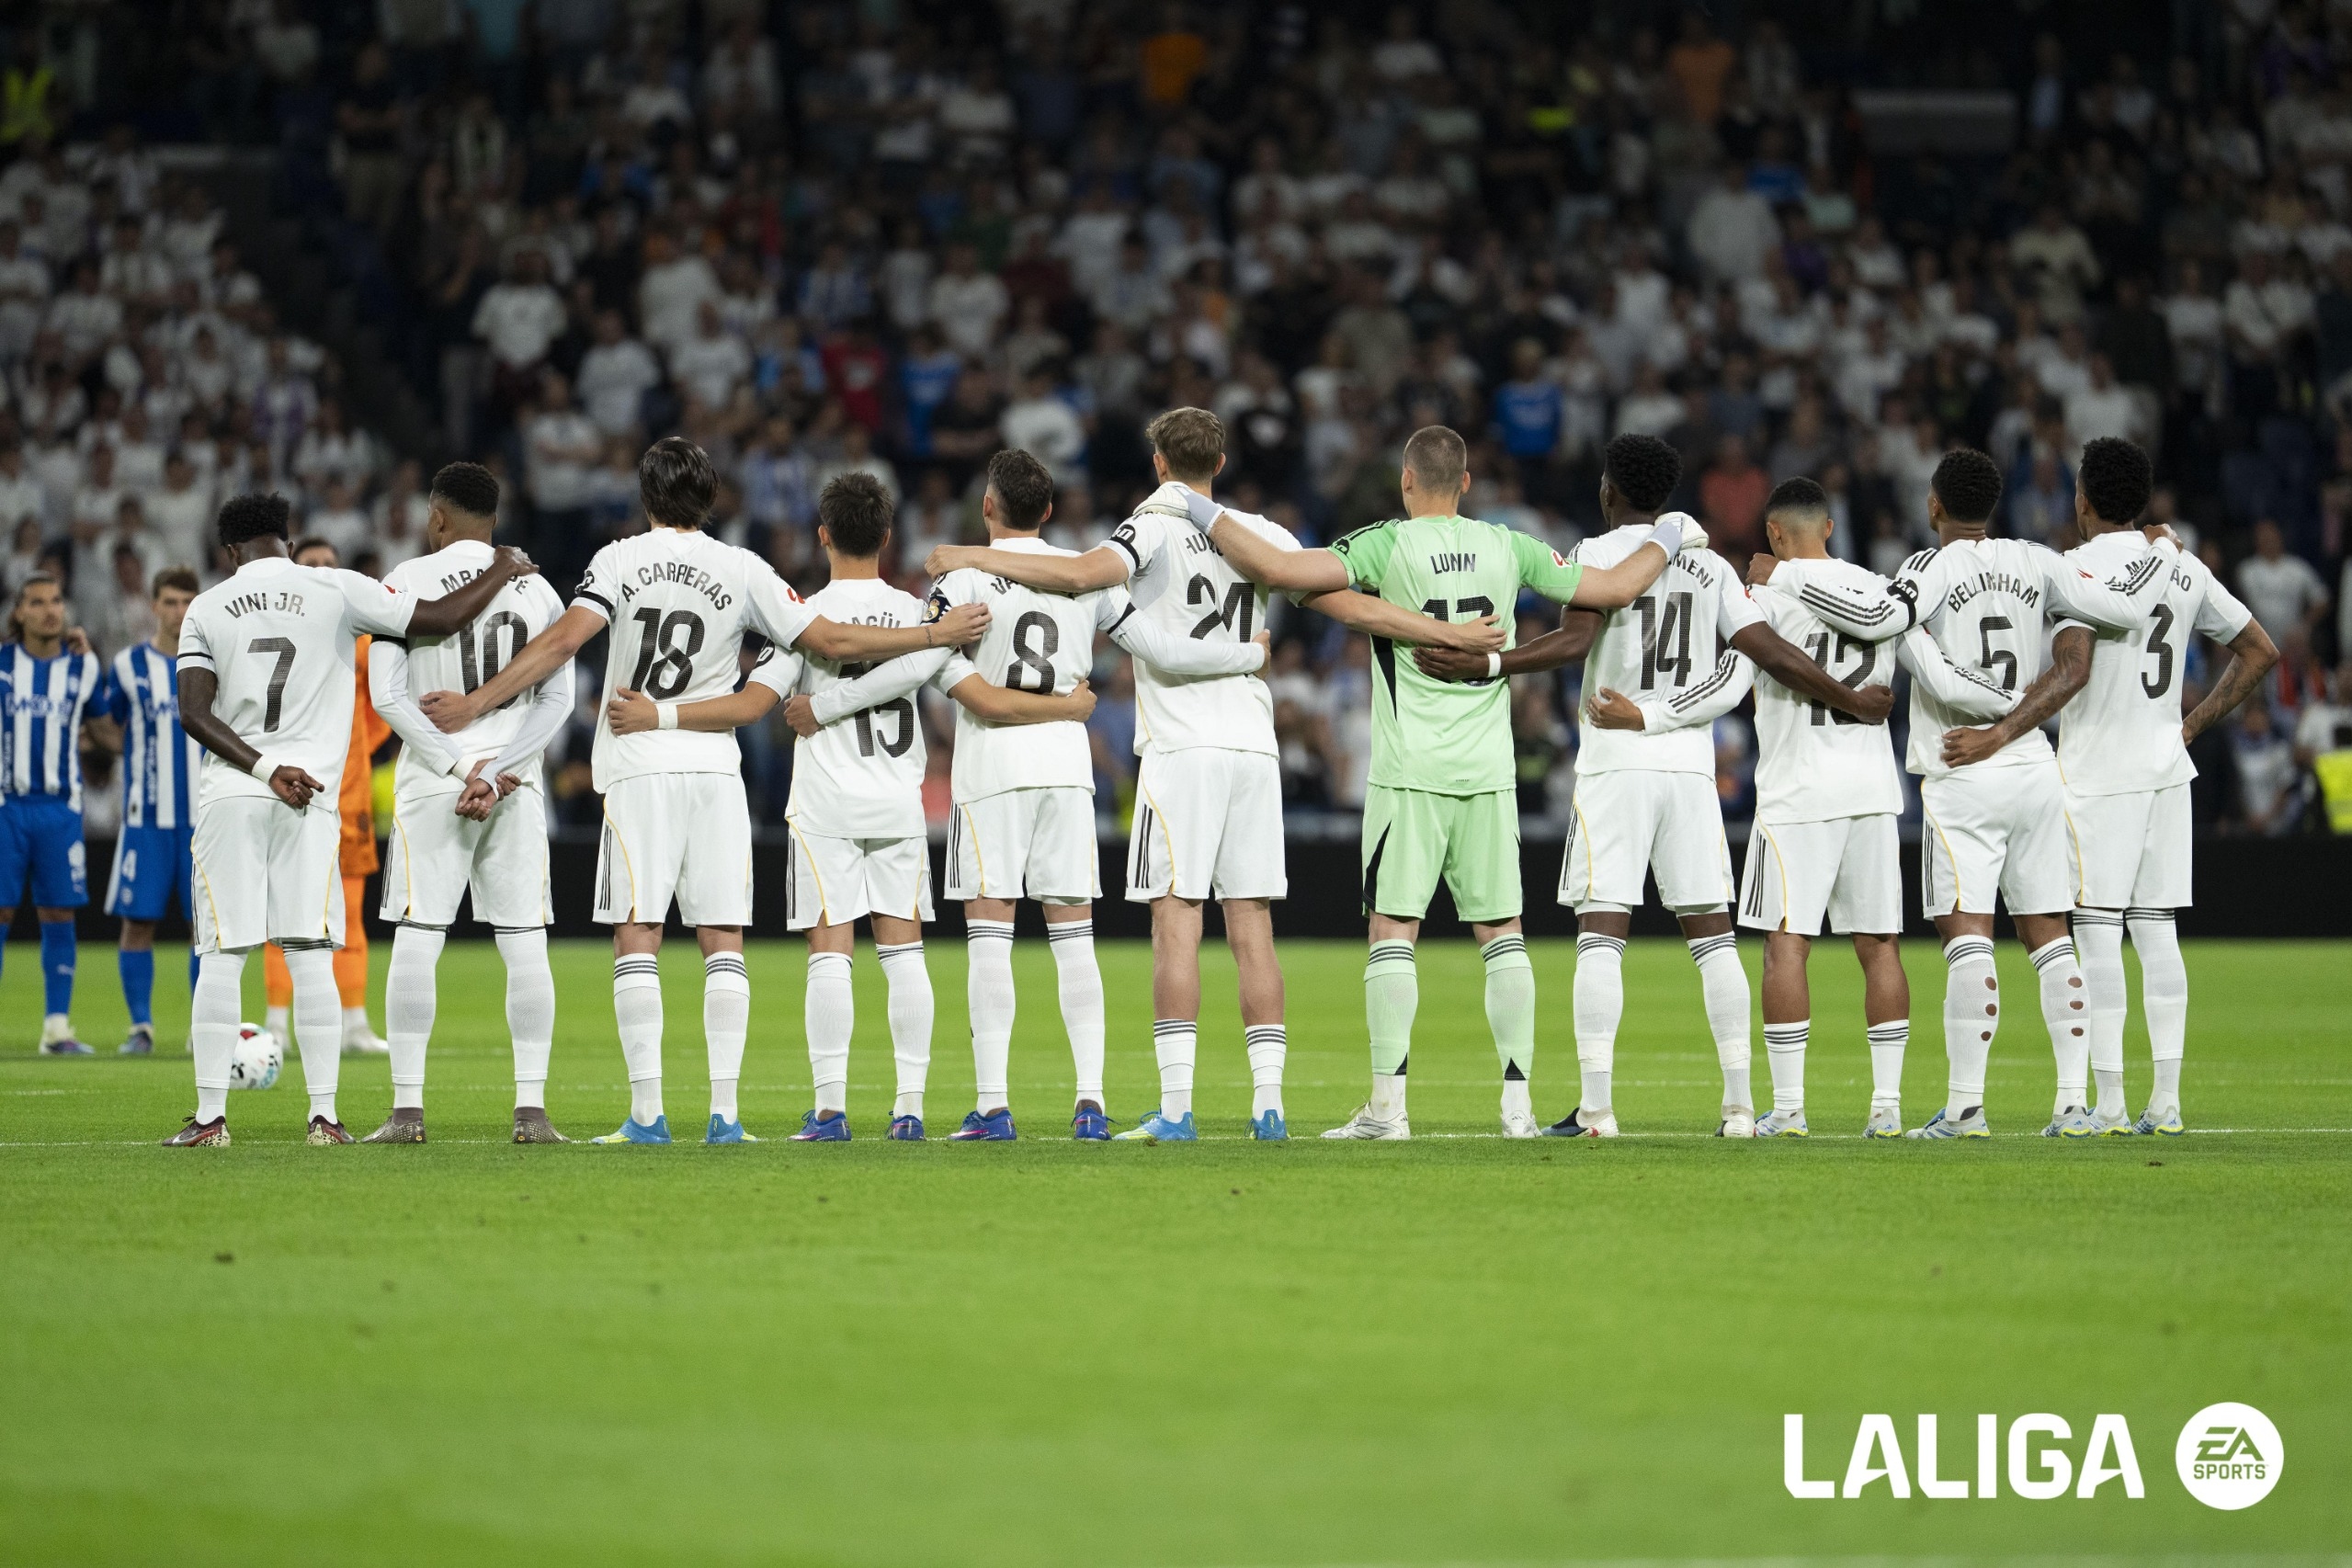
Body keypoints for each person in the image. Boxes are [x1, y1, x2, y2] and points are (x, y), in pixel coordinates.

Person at [927, 408, 1499, 1141]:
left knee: (1176, 923)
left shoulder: (1147, 527)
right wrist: (1446, 631)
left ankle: (1175, 1110)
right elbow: (1352, 605)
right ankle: (1268, 1107)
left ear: (1159, 463)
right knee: (1252, 926)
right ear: (1220, 464)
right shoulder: (1261, 534)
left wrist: (968, 556)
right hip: (1252, 748)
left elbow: (1076, 574)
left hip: (1182, 750)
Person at [418, 437, 992, 1146]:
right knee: (724, 939)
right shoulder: (743, 567)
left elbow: (564, 643)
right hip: (718, 770)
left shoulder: (618, 559)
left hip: (641, 764)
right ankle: (725, 1117)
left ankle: (648, 1117)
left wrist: (477, 704)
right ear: (712, 498)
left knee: (639, 935)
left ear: (645, 497)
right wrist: (933, 635)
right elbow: (834, 643)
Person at [1187, 426, 1686, 1141]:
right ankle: (1517, 1109)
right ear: (1466, 484)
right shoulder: (1507, 545)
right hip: (1488, 771)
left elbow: (1283, 569)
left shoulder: (1384, 544)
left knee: (1393, 930)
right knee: (1502, 933)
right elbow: (1614, 588)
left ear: (1405, 480)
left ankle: (1387, 1110)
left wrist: (1194, 505)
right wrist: (1669, 533)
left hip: (1408, 772)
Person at [1417, 434, 1891, 1139]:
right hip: (1689, 767)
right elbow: (1766, 651)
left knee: (1601, 933)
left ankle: (1596, 1108)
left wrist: (1487, 666)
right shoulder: (1709, 563)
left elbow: (1574, 642)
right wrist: (1849, 698)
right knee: (1713, 938)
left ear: (1608, 489)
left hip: (1614, 761)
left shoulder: (1595, 553)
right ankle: (1739, 1107)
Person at [1751, 448, 2180, 1138]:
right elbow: (2127, 609)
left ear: (1934, 506)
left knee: (1967, 935)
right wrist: (2160, 549)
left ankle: (1964, 1108)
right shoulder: (2038, 560)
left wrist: (1789, 576)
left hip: (1961, 764)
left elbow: (1880, 624)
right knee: (2049, 935)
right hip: (2034, 766)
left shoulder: (1926, 568)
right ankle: (2074, 1106)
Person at [655, 472, 1088, 1141]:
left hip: (824, 803)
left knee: (830, 953)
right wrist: (1066, 705)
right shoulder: (922, 616)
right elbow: (968, 690)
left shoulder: (802, 615)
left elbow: (756, 701)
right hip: (897, 802)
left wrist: (671, 714)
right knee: (904, 953)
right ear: (888, 537)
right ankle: (908, 1110)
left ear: (822, 535)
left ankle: (831, 1111)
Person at [1578, 479, 2016, 1136]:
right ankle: (1886, 1109)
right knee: (1880, 946)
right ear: (1830, 527)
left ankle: (1787, 1109)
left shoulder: (1764, 592)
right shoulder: (1878, 592)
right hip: (1871, 791)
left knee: (1786, 946)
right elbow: (1934, 670)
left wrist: (1649, 715)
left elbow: (1728, 683)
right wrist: (2013, 713)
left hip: (1795, 793)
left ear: (1774, 533)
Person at [921, 447, 1272, 1142]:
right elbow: (1164, 649)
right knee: (1074, 938)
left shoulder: (959, 580)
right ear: (1049, 510)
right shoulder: (1089, 576)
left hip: (990, 768)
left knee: (990, 938)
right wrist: (1250, 654)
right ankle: (1089, 1103)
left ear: (987, 507)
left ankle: (993, 1107)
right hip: (1066, 767)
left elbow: (944, 674)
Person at [164, 494, 535, 1146]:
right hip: (311, 799)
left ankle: (210, 1120)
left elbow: (194, 713)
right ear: (287, 540)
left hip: (234, 793)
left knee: (223, 958)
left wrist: (263, 768)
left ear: (229, 552)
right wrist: (503, 566)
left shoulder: (206, 607)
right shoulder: (336, 587)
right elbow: (442, 615)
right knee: (310, 955)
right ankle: (324, 1118)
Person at [2054, 438, 2277, 1136]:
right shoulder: (2179, 564)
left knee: (2097, 933)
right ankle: (2167, 1103)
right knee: (2157, 932)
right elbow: (2259, 650)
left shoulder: (2076, 568)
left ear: (2083, 500)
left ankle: (2110, 1106)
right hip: (2165, 767)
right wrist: (2191, 725)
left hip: (2099, 773)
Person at [362, 462, 575, 1144]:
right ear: (495, 520)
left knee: (419, 936)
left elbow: (386, 697)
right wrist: (501, 769)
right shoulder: (538, 588)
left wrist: (459, 766)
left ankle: (407, 1112)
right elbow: (559, 699)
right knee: (524, 940)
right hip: (515, 781)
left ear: (436, 516)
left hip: (434, 778)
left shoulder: (405, 579)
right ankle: (532, 1112)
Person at [259, 538, 392, 1058]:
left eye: (329, 564)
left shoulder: (361, 638)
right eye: (311, 563)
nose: (320, 571)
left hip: (349, 798)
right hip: (289, 793)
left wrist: (351, 752)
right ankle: (276, 1021)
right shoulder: (276, 631)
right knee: (285, 911)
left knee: (350, 914)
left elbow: (381, 711)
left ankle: (353, 1021)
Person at [94, 568, 204, 1054]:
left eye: (187, 602)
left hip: (203, 821)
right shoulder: (127, 665)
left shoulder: (212, 661)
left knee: (207, 929)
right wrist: (137, 752)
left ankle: (203, 1028)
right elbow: (103, 723)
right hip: (145, 821)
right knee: (138, 924)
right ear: (154, 606)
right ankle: (141, 1027)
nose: (180, 612)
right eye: (171, 602)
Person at [0, 573, 102, 1054]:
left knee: (59, 912)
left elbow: (104, 727)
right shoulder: (2, 665)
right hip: (7, 806)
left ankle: (57, 1029)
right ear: (19, 612)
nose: (49, 610)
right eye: (37, 602)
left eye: (56, 600)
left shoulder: (84, 668)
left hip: (61, 809)